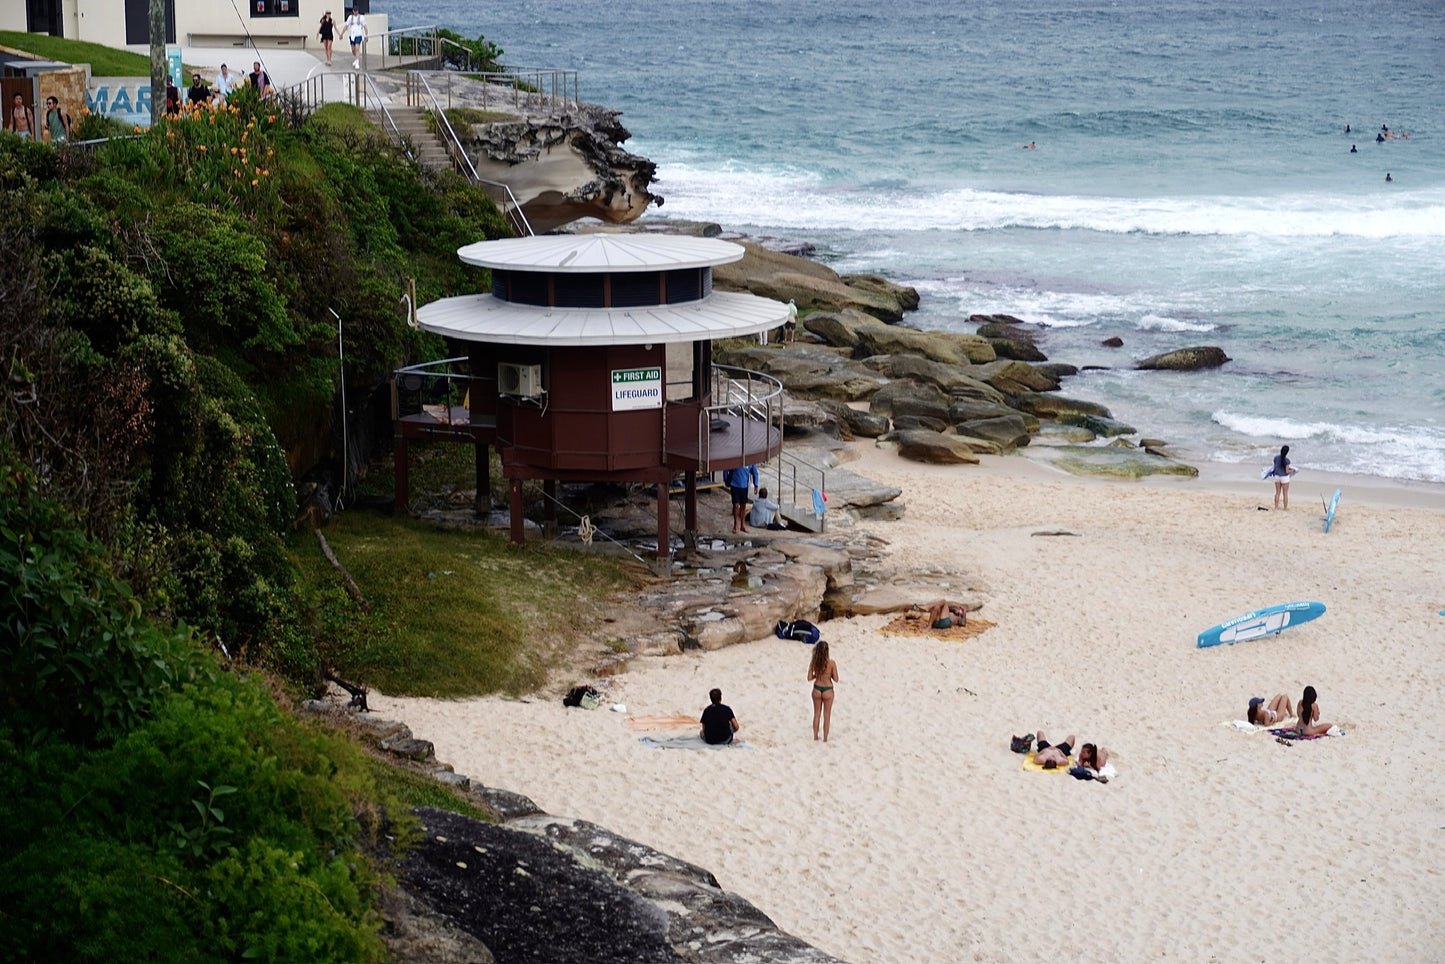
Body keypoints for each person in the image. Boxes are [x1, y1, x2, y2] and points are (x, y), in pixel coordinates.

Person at [808, 640, 839, 742]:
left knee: (817, 714)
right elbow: (836, 679)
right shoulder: (831, 663)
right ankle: (825, 738)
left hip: (817, 688)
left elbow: (809, 678)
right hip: (828, 689)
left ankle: (815, 736)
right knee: (827, 715)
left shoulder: (814, 663)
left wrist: (817, 675)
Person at [723, 464, 759, 533]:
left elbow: (755, 472)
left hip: (744, 486)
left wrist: (756, 485)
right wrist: (726, 479)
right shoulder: (735, 457)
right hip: (734, 485)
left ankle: (742, 525)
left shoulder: (750, 460)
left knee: (743, 505)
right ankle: (735, 524)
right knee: (736, 505)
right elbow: (725, 468)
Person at [1266, 444, 1297, 509]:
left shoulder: (1276, 458)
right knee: (1285, 493)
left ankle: (1276, 507)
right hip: (1284, 478)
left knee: (1277, 492)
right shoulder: (1287, 460)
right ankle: (1285, 508)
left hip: (1277, 476)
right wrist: (1293, 470)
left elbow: (1274, 468)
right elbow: (1287, 471)